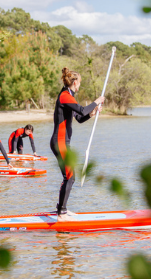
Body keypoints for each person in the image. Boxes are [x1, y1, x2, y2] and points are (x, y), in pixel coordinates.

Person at [50, 68, 105, 220]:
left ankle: (62, 209)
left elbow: (79, 117)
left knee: (69, 176)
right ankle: (61, 211)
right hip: (59, 142)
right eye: (79, 83)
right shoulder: (65, 96)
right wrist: (97, 101)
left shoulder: (69, 96)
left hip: (63, 143)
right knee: (70, 176)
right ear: (75, 83)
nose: (80, 86)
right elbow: (81, 110)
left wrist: (92, 113)